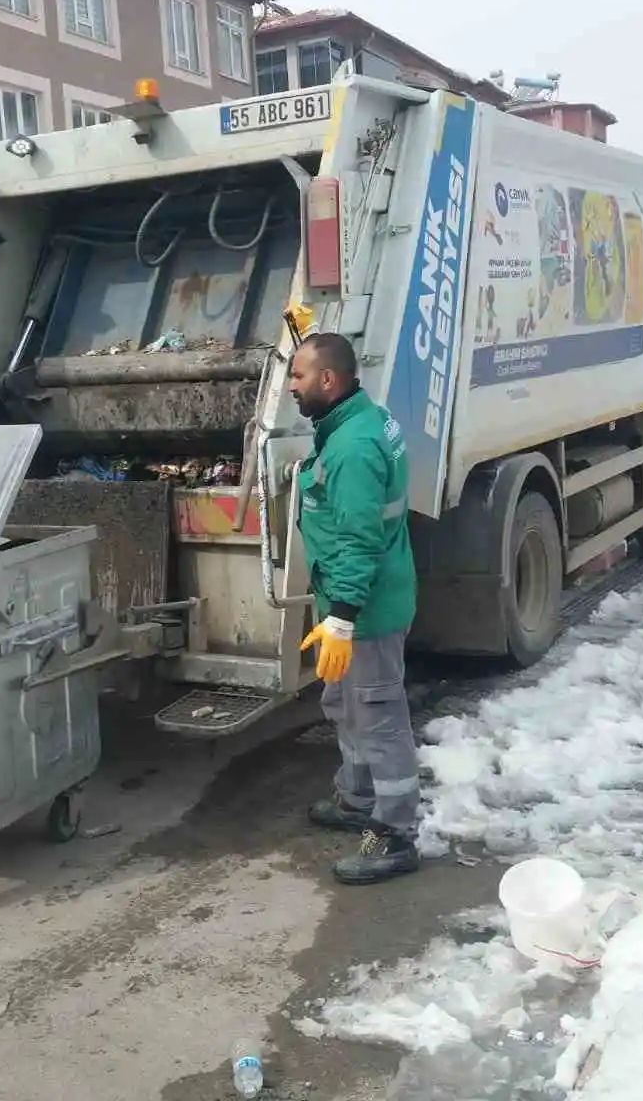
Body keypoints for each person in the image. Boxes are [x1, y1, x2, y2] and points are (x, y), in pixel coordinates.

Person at [289, 332, 421, 885]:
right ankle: (357, 798)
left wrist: (341, 618)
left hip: (365, 609)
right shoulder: (354, 422)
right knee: (345, 704)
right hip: (352, 604)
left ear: (328, 381)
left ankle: (394, 833)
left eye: (298, 377)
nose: (291, 387)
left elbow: (359, 542)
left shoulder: (354, 449)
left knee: (380, 717)